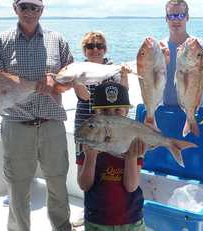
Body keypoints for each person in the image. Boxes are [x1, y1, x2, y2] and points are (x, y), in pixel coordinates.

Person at [0, 0, 73, 230]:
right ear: (14, 8)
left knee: (57, 181)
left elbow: (72, 75)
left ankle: (62, 226)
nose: (29, 12)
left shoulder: (58, 40)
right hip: (16, 125)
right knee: (17, 186)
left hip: (51, 123)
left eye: (35, 7)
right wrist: (36, 84)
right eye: (24, 6)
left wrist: (56, 78)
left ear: (42, 10)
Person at [72, 31, 131, 228]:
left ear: (105, 49)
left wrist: (123, 74)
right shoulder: (78, 70)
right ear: (84, 50)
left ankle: (116, 206)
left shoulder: (112, 68)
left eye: (99, 45)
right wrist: (75, 79)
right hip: (86, 122)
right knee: (86, 165)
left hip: (111, 125)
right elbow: (84, 96)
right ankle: (89, 207)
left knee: (110, 165)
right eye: (90, 46)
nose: (95, 49)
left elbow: (123, 93)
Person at [76, 82, 146, 231]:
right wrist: (90, 157)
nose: (111, 116)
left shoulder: (133, 141)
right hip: (97, 221)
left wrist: (132, 157)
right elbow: (84, 185)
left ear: (126, 113)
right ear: (96, 114)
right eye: (105, 111)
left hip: (131, 220)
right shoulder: (87, 141)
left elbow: (131, 186)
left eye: (117, 111)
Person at [162, 0, 203, 106]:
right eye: (171, 16)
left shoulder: (200, 48)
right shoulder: (160, 48)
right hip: (166, 111)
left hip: (193, 109)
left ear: (187, 17)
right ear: (166, 19)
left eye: (180, 15)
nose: (176, 20)